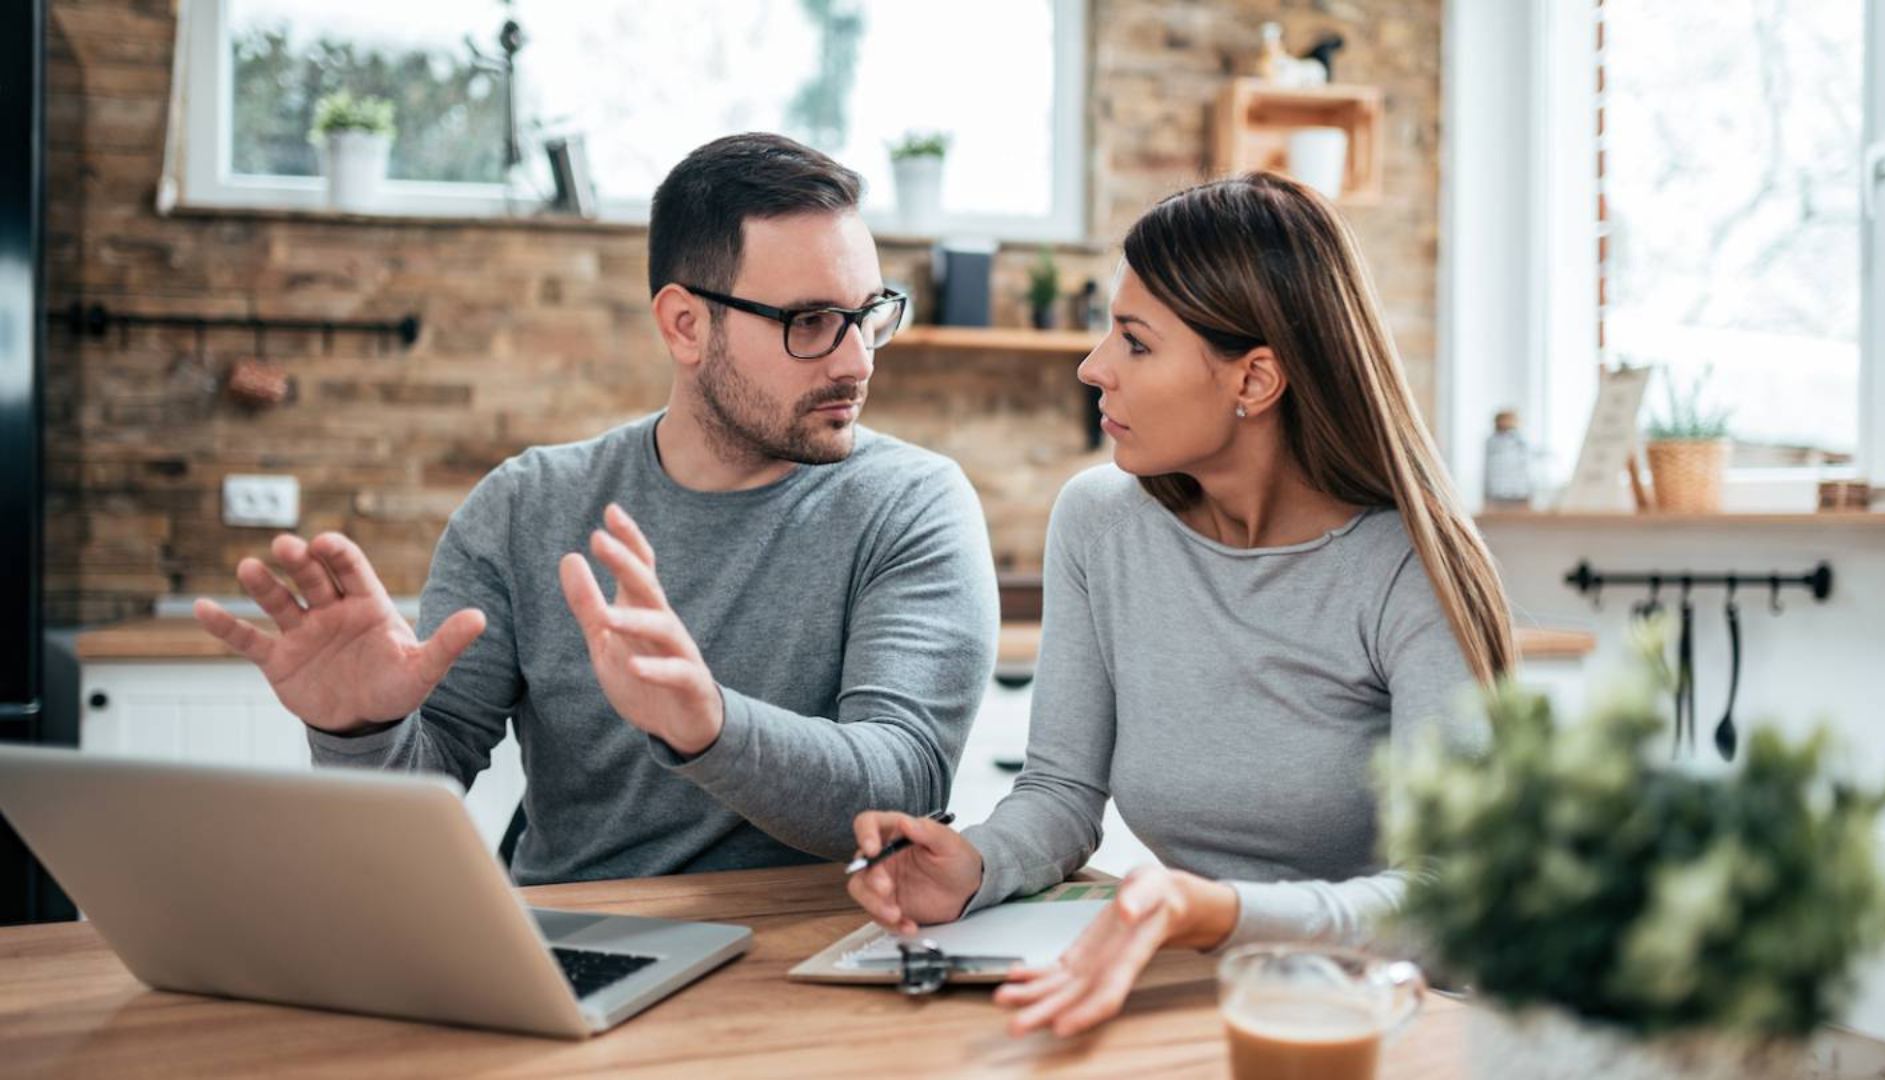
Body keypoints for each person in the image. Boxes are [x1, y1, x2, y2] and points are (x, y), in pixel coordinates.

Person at [194, 133, 999, 883]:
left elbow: (905, 786)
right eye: (812, 321)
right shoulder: (525, 508)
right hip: (576, 942)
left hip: (804, 964)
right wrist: (357, 733)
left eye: (869, 315)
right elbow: (413, 796)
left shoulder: (911, 504)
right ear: (686, 326)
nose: (857, 360)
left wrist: (708, 723)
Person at [846, 172, 1513, 1036]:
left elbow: (1448, 899)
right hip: (1198, 993)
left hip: (1392, 1019)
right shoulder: (1100, 523)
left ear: (1255, 380)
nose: (1094, 369)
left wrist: (1214, 913)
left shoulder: (1407, 569)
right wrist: (973, 865)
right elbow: (1060, 793)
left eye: (1135, 342)